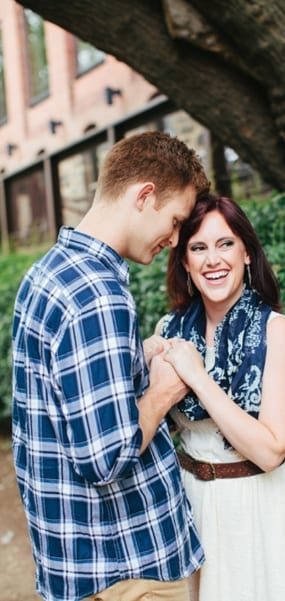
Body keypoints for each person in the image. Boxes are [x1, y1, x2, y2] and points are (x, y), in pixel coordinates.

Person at [11, 131, 209, 601]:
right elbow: (106, 456)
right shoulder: (98, 294)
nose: (176, 239)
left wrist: (134, 357)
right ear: (144, 196)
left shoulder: (47, 274)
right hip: (127, 567)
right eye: (176, 220)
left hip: (75, 561)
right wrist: (163, 390)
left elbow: (59, 395)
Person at [150, 194, 285, 601]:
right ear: (185, 262)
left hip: (258, 504)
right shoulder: (170, 329)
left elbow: (270, 450)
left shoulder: (277, 331)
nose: (213, 259)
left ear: (246, 252)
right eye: (198, 248)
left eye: (225, 243)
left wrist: (198, 377)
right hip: (190, 501)